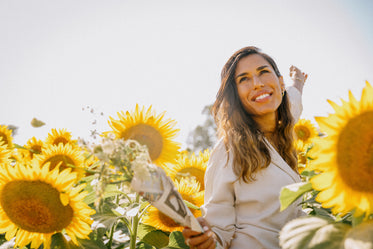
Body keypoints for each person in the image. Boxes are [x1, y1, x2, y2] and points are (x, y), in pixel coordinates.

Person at [182, 46, 308, 249]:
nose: (257, 84)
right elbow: (219, 229)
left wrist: (298, 81)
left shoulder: (285, 125)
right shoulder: (230, 149)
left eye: (263, 72)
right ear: (237, 96)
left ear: (280, 82)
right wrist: (207, 239)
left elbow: (293, 101)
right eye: (244, 79)